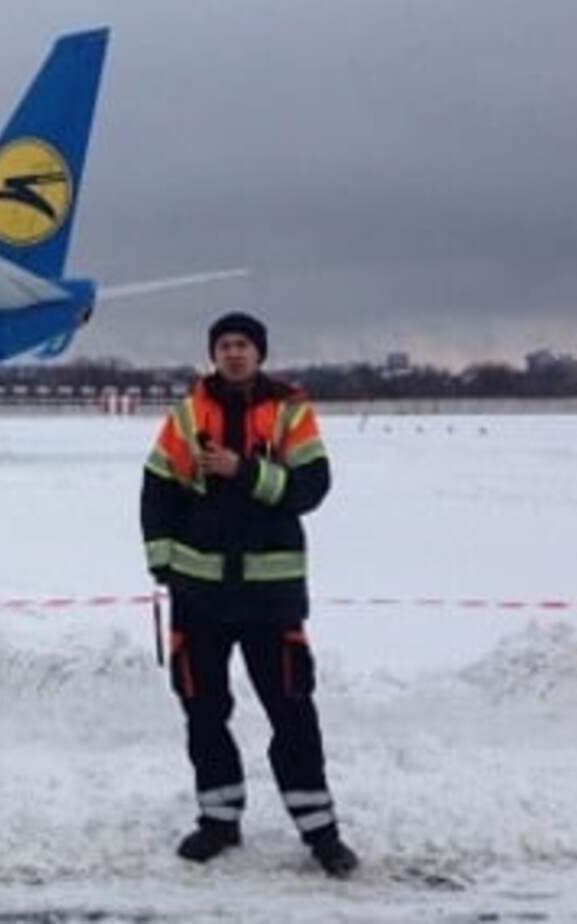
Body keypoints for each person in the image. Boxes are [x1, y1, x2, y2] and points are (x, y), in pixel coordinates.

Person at [140, 312, 359, 878]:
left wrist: (245, 471)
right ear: (213, 354)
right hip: (200, 596)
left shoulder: (290, 410)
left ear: (260, 353)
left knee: (291, 712)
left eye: (243, 345)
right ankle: (218, 821)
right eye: (224, 345)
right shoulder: (189, 414)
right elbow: (157, 489)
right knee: (204, 713)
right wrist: (162, 562)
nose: (234, 353)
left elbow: (312, 488)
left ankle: (321, 833)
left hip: (270, 596)